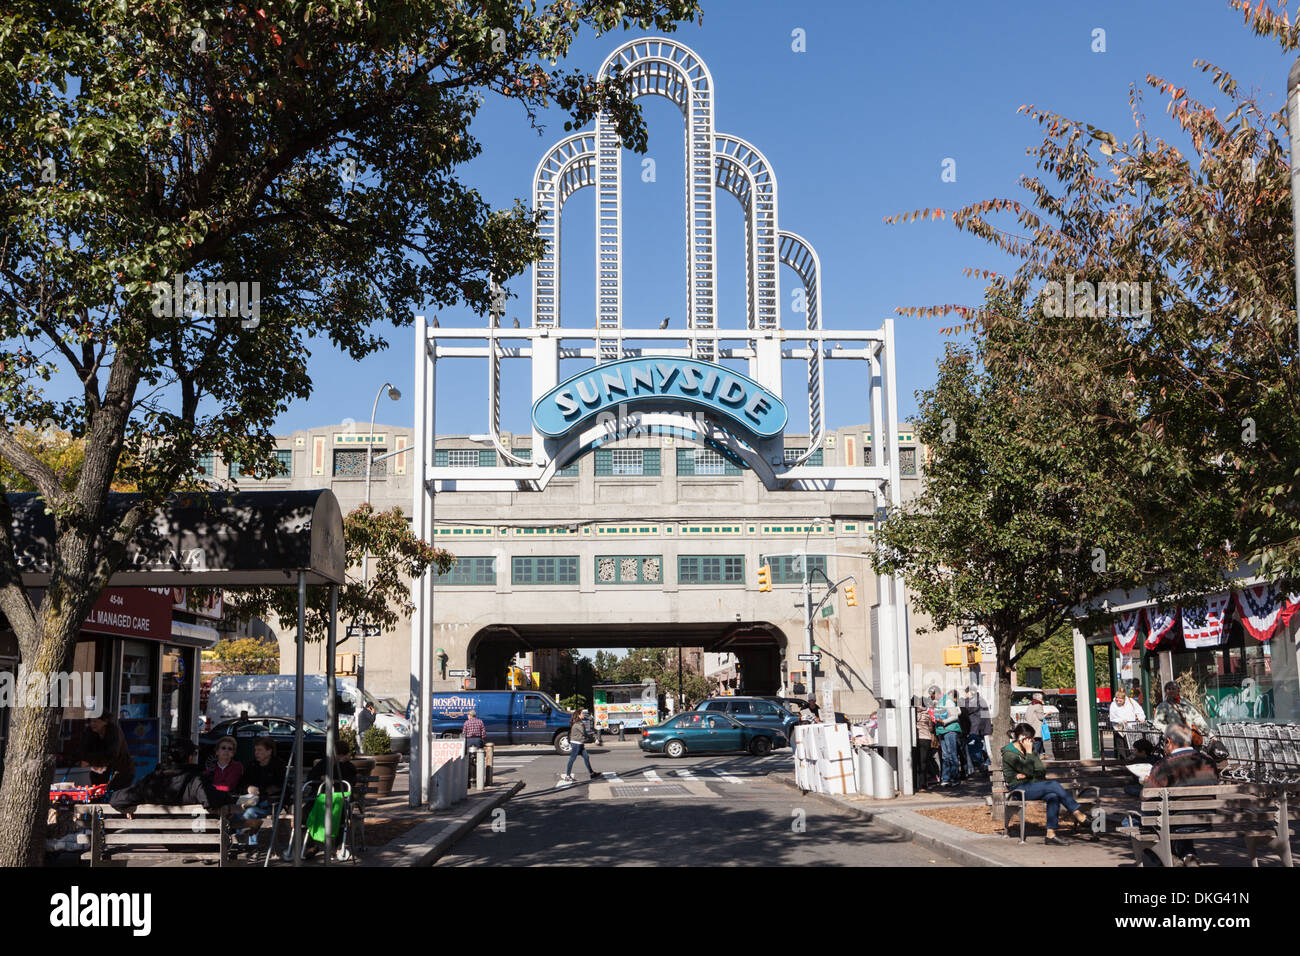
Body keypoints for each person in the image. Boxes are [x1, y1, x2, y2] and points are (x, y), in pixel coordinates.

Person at [1141, 723, 1219, 866]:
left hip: (1174, 822)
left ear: (1169, 741)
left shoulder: (1164, 764)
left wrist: (1146, 781)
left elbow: (1146, 796)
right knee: (1181, 819)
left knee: (1133, 821)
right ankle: (1189, 856)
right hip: (1204, 820)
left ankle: (1169, 858)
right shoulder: (1209, 762)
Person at [1001, 722, 1089, 845]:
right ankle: (1078, 814)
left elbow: (1040, 770)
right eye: (1029, 738)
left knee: (1053, 796)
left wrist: (1027, 772)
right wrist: (1029, 755)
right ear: (1020, 737)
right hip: (1018, 790)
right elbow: (1028, 770)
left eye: (1032, 738)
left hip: (1034, 786)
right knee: (1053, 785)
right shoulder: (1009, 753)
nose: (1031, 740)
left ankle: (1050, 835)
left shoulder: (1031, 749)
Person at [108, 738, 235, 814]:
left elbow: (116, 799)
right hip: (195, 842)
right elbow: (210, 800)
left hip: (164, 841)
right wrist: (228, 798)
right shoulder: (196, 780)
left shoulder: (152, 780)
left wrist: (129, 808)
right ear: (190, 758)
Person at [233, 736, 284, 846]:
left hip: (269, 803)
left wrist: (259, 791)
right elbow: (241, 783)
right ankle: (239, 842)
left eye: (260, 750)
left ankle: (249, 845)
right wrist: (248, 788)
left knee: (250, 813)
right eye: (255, 750)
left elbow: (280, 787)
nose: (256, 753)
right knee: (235, 811)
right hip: (251, 800)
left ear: (269, 751)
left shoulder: (278, 766)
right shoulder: (252, 765)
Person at [79, 714, 135, 791]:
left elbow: (112, 754)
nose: (92, 724)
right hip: (99, 773)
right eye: (91, 721)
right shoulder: (90, 732)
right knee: (97, 795)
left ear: (105, 721)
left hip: (120, 772)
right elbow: (84, 750)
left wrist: (92, 760)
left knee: (114, 797)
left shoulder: (114, 732)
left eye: (95, 721)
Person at [932, 691, 963, 786]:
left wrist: (943, 721)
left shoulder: (948, 701)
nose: (931, 697)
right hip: (941, 730)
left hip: (949, 730)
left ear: (936, 693)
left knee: (952, 754)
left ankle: (954, 778)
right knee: (945, 756)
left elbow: (955, 716)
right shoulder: (938, 703)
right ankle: (946, 778)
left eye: (932, 695)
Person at [1108, 686, 1147, 760]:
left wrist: (1141, 718)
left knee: (1131, 744)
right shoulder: (1113, 705)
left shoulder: (1131, 701)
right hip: (1120, 728)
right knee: (1122, 745)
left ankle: (1132, 759)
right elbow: (1112, 717)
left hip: (1130, 727)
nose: (1118, 702)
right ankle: (1125, 760)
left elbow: (1139, 710)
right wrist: (1121, 720)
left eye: (1120, 701)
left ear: (1124, 699)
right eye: (1117, 700)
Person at [563, 710, 600, 782]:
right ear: (579, 715)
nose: (583, 714)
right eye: (582, 713)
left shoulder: (579, 723)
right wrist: (594, 740)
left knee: (586, 757)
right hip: (576, 744)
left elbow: (584, 734)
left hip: (579, 743)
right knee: (572, 759)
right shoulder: (579, 724)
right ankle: (567, 776)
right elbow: (585, 733)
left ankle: (592, 773)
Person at [962, 685, 992, 776]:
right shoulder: (980, 699)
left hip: (976, 728)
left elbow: (968, 710)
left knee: (975, 749)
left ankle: (982, 766)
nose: (965, 695)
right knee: (984, 748)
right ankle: (985, 765)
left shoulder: (974, 701)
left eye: (966, 693)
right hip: (983, 728)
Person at [914, 697, 940, 790]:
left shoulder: (913, 714)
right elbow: (931, 727)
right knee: (924, 762)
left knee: (915, 762)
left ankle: (915, 784)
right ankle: (923, 785)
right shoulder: (927, 714)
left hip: (915, 738)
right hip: (926, 738)